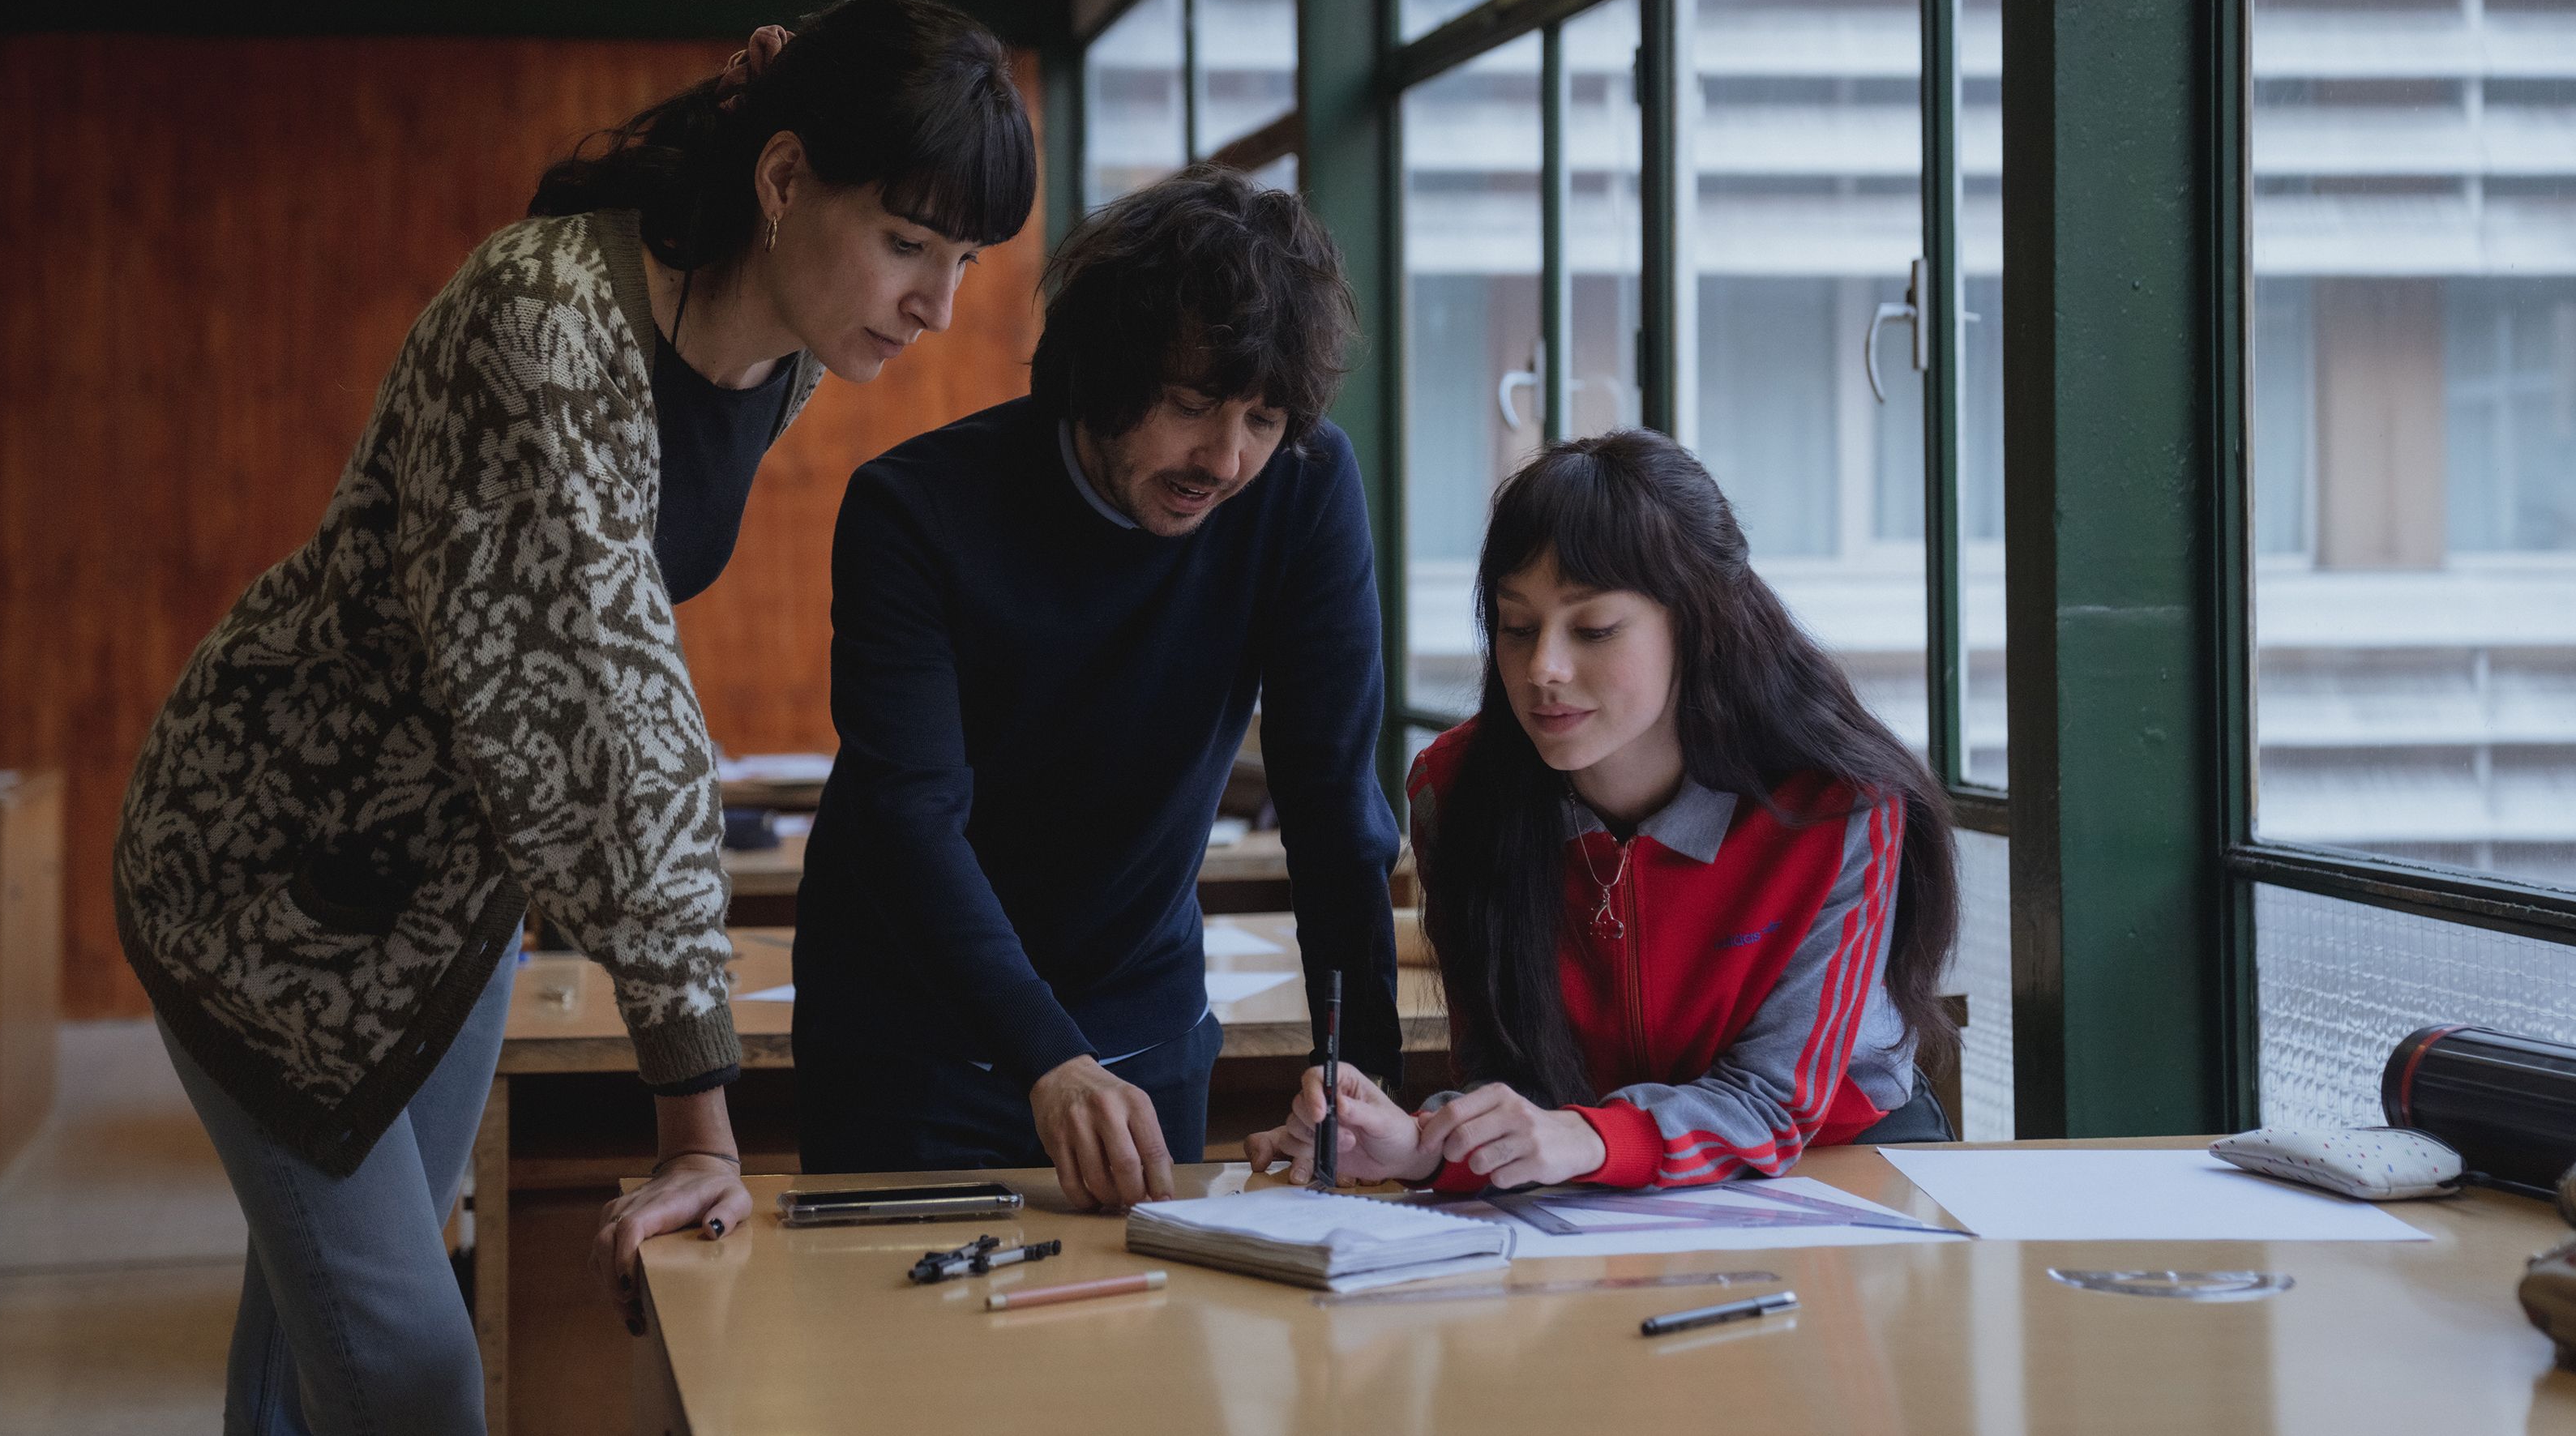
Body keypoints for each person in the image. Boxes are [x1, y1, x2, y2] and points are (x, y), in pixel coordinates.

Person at [114, 0, 1033, 1434]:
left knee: (319, 1344)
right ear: (782, 180)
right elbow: (607, 702)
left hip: (449, 888)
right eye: (909, 244)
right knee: (409, 1370)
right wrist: (693, 1116)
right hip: (267, 874)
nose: (938, 307)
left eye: (966, 259)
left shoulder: (778, 349)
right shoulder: (544, 323)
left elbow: (610, 676)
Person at [792, 163, 1403, 1209]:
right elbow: (912, 817)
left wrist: (1366, 1083)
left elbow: (1331, 802)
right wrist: (1045, 1059)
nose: (1224, 457)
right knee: (899, 1361)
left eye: (1262, 417)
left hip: (1141, 1024)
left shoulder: (1300, 486)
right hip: (910, 1033)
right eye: (1189, 405)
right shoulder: (916, 509)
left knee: (1138, 1360)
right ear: (1100, 374)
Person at [1247, 430, 1958, 1192]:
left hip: (1841, 1167)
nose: (1542, 668)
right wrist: (1420, 1142)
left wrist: (1585, 1137)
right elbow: (1511, 1079)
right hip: (1603, 1183)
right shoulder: (1457, 793)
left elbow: (1774, 1102)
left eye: (1593, 630)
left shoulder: (1834, 805)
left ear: (1698, 623)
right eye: (1516, 628)